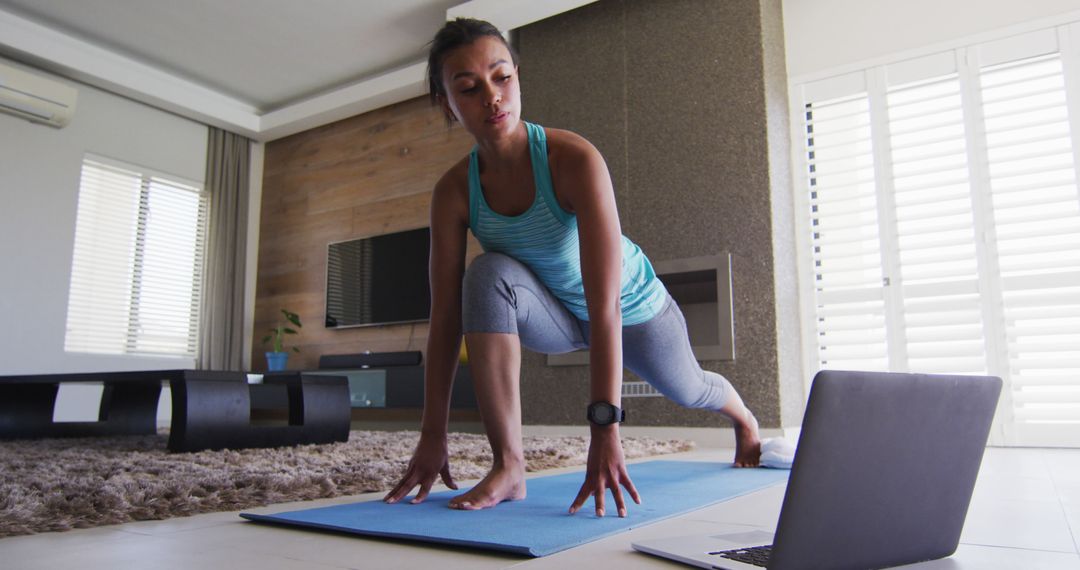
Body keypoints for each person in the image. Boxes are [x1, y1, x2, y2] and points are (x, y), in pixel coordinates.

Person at [383, 18, 761, 518]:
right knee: (487, 272)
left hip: (631, 309)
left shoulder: (572, 158)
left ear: (518, 76)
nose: (492, 98)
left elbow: (604, 305)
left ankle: (744, 417)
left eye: (502, 78)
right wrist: (432, 434)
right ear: (446, 102)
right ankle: (509, 466)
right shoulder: (454, 191)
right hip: (556, 314)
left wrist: (605, 430)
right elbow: (447, 317)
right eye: (469, 88)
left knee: (689, 389)